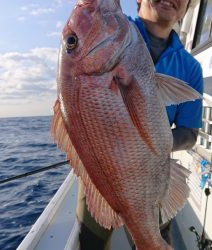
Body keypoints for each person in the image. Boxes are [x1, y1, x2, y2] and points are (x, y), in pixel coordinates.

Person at [77, 0, 203, 249]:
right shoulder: (113, 30)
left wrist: (145, 149)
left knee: (152, 239)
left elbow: (189, 134)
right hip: (101, 178)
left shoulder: (191, 67)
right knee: (89, 243)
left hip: (155, 181)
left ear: (187, 7)